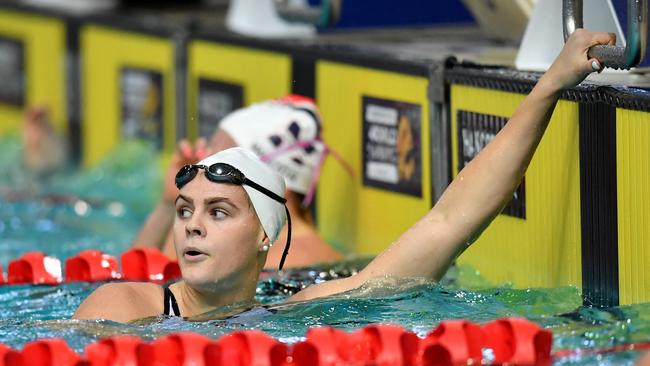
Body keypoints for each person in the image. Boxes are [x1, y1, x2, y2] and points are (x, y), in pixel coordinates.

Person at [74, 29, 615, 323]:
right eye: (185, 210)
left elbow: (449, 221)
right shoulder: (123, 308)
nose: (191, 226)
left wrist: (549, 85)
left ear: (267, 234)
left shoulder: (301, 313)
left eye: (219, 212)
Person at [131, 95, 344, 269]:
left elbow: (167, 299)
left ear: (273, 181)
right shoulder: (244, 248)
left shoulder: (287, 262)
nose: (202, 166)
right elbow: (134, 283)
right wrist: (169, 203)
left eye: (221, 163)